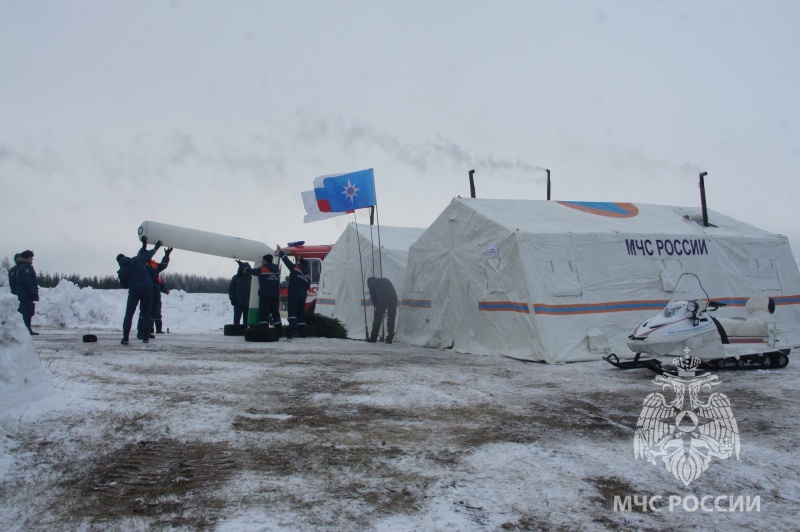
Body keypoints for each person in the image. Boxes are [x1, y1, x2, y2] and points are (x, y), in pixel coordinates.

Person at [117, 237, 162, 345]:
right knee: (146, 313)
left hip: (134, 290)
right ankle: (145, 337)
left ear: (119, 262)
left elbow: (123, 285)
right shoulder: (136, 260)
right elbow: (148, 255)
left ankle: (125, 338)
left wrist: (130, 282)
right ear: (125, 257)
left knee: (129, 314)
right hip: (148, 288)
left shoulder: (122, 271)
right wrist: (156, 247)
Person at [237, 253, 281, 333]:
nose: (261, 261)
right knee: (275, 312)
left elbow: (250, 271)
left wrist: (243, 265)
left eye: (263, 260)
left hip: (265, 295)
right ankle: (279, 330)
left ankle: (264, 330)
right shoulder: (277, 269)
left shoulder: (263, 269)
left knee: (263, 312)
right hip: (275, 295)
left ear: (266, 261)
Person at [278, 245, 310, 339]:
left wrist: (280, 252)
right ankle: (302, 332)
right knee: (301, 313)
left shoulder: (295, 268)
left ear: (299, 262)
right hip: (303, 295)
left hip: (294, 294)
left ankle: (293, 329)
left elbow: (286, 261)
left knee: (292, 312)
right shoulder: (308, 275)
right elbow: (308, 286)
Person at [143, 245, 172, 337]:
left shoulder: (154, 265)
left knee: (157, 309)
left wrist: (166, 256)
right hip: (147, 288)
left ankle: (158, 329)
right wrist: (144, 245)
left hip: (155, 289)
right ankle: (148, 330)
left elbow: (163, 265)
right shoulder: (142, 264)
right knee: (149, 310)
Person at [15, 250, 39, 335]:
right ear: (27, 257)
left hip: (23, 294)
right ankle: (26, 330)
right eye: (31, 257)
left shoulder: (21, 266)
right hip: (26, 295)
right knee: (27, 313)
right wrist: (32, 291)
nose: (32, 259)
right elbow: (27, 281)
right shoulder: (26, 267)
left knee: (26, 312)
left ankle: (26, 329)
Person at [367, 276, 398, 344]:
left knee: (377, 319)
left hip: (382, 300)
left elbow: (373, 298)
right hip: (394, 298)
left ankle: (373, 338)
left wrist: (378, 309)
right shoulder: (385, 279)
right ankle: (389, 338)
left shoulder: (371, 284)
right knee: (391, 319)